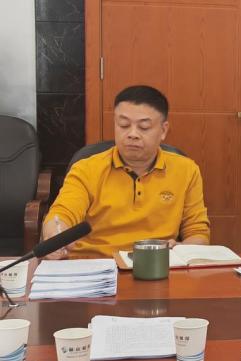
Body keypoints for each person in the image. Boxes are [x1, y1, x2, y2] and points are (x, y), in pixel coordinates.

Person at [42, 86, 210, 258]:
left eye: (144, 127)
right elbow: (63, 213)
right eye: (124, 125)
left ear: (163, 130)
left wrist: (182, 249)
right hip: (95, 264)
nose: (132, 134)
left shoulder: (186, 170)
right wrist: (55, 234)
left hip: (155, 263)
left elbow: (197, 231)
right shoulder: (87, 169)